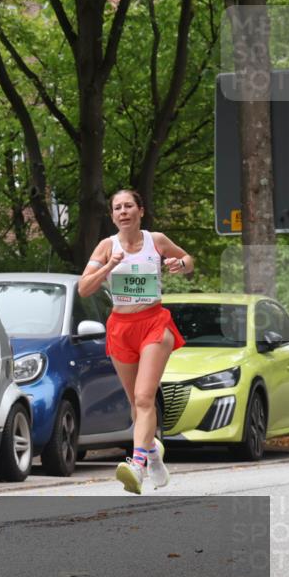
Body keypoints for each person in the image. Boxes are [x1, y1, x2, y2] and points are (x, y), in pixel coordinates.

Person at [78, 189, 193, 494]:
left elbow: (187, 259)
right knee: (135, 403)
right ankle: (154, 454)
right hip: (120, 327)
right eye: (117, 208)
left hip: (154, 323)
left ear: (141, 210)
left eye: (129, 206)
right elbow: (83, 288)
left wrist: (180, 265)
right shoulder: (107, 246)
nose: (123, 211)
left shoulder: (156, 240)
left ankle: (137, 465)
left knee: (144, 398)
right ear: (112, 215)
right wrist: (108, 266)